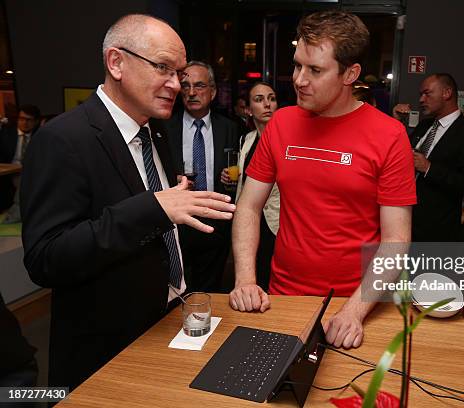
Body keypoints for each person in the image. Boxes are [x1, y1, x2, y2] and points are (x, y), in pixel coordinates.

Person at [19, 14, 235, 391]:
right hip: (106, 351)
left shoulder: (156, 133)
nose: (176, 85)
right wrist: (154, 208)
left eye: (180, 75)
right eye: (163, 68)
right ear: (116, 62)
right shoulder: (62, 139)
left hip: (168, 324)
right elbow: (46, 258)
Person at [229, 11, 416, 349]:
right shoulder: (282, 124)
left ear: (351, 74)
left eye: (315, 70)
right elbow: (248, 206)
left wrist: (354, 312)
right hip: (282, 297)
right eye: (298, 65)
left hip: (355, 302)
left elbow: (396, 240)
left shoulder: (389, 135)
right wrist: (245, 280)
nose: (299, 79)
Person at [164, 61, 239, 293]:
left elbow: (239, 170)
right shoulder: (165, 128)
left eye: (199, 85)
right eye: (185, 86)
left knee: (211, 291)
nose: (192, 92)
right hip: (179, 223)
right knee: (178, 291)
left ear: (213, 92)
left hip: (217, 222)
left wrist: (232, 180)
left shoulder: (230, 128)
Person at [409, 73, 464, 242]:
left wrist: (429, 168)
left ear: (447, 93)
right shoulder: (424, 125)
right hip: (410, 221)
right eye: (421, 94)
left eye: (427, 93)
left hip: (438, 231)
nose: (421, 99)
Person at [221, 82, 280, 291]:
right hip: (251, 220)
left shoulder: (286, 140)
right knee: (254, 273)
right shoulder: (245, 140)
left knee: (275, 279)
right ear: (247, 110)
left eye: (272, 98)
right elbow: (249, 180)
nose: (267, 104)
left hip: (277, 221)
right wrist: (232, 178)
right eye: (259, 99)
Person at [0, 105, 41, 223]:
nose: (24, 122)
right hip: (8, 173)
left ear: (36, 121)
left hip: (30, 173)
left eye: (28, 120)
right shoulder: (5, 133)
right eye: (21, 119)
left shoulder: (40, 135)